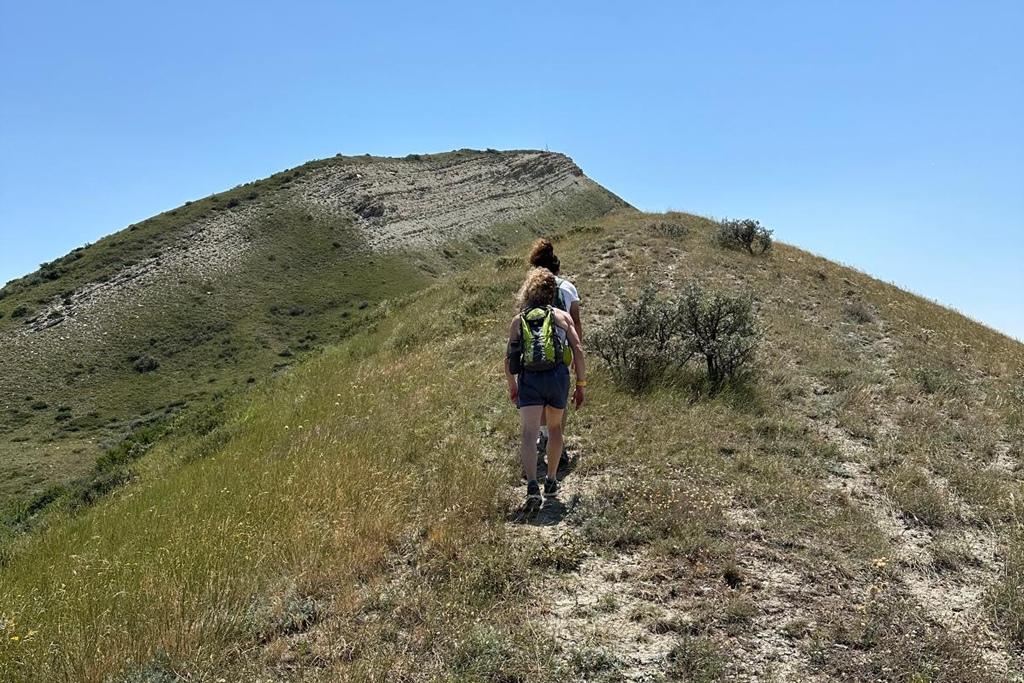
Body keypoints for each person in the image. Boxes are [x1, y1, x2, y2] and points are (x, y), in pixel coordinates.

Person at [505, 267, 586, 511]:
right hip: (558, 378)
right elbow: (578, 350)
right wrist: (581, 384)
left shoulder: (519, 320)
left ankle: (531, 485)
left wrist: (512, 385)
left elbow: (509, 357)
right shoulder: (562, 316)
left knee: (530, 434)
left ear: (527, 292)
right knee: (554, 428)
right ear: (552, 293)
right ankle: (551, 481)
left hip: (530, 379)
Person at [527, 239, 582, 469]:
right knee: (558, 404)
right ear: (557, 268)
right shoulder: (568, 287)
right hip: (562, 354)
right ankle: (557, 445)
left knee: (537, 402)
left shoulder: (529, 289)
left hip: (533, 354)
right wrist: (576, 354)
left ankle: (542, 438)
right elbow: (576, 323)